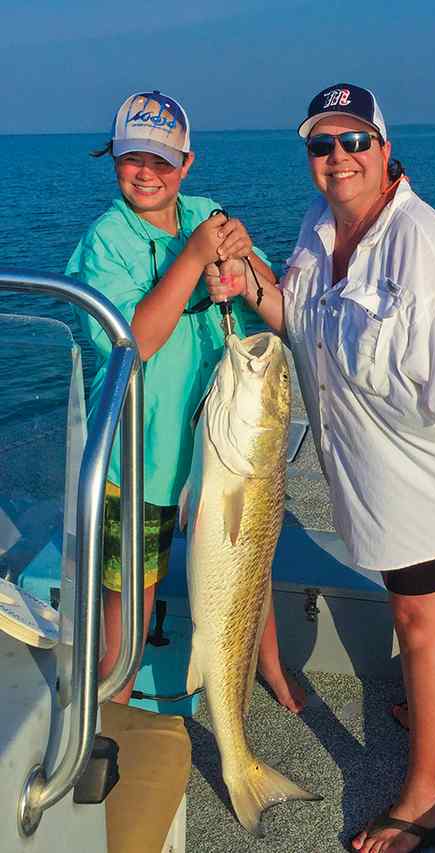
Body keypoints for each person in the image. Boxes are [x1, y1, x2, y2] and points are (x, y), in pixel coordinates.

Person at [208, 83, 435, 852]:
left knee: (424, 623)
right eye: (323, 144)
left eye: (355, 141)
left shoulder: (431, 246)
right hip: (376, 472)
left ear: (386, 151)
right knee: (422, 615)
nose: (339, 157)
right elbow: (298, 317)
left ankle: (429, 801)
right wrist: (246, 275)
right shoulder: (321, 227)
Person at [66, 90, 303, 713]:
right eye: (131, 158)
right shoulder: (106, 241)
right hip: (137, 456)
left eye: (162, 161)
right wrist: (197, 257)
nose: (145, 173)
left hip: (221, 447)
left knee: (249, 569)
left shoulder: (209, 214)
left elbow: (268, 296)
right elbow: (135, 340)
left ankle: (269, 668)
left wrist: (243, 260)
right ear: (114, 158)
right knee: (132, 595)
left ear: (187, 164)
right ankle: (108, 705)